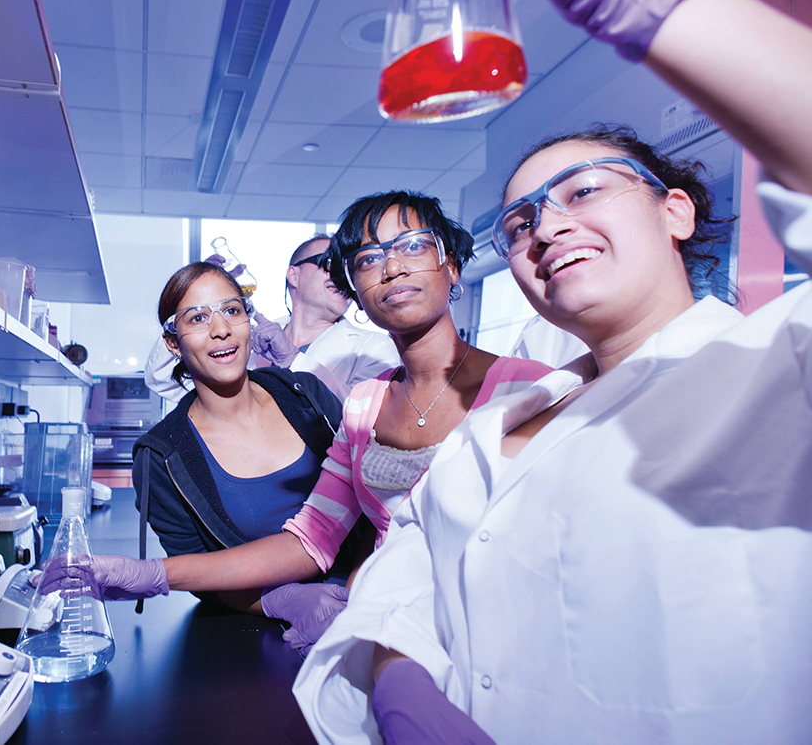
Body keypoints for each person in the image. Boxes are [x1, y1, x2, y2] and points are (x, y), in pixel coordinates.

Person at [295, 0, 812, 742]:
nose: (547, 226)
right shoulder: (499, 423)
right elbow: (408, 573)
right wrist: (400, 680)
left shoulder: (781, 364)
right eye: (522, 221)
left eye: (583, 191)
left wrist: (657, 2)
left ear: (675, 211)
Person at [59, 192, 549, 652]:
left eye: (413, 246)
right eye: (369, 259)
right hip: (387, 635)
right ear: (356, 291)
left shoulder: (532, 393)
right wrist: (155, 574)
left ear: (452, 266)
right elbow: (313, 536)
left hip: (507, 638)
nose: (392, 268)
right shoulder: (364, 405)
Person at [120, 260, 343, 615]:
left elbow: (367, 504)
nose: (221, 329)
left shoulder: (307, 396)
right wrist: (277, 603)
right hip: (255, 646)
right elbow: (201, 578)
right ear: (172, 343)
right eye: (197, 318)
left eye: (231, 310)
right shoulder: (161, 459)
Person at [145, 237, 400, 402]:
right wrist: (194, 306)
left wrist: (293, 361)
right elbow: (163, 379)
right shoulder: (246, 334)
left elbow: (366, 424)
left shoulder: (374, 349)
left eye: (346, 268)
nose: (341, 276)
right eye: (329, 263)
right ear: (294, 275)